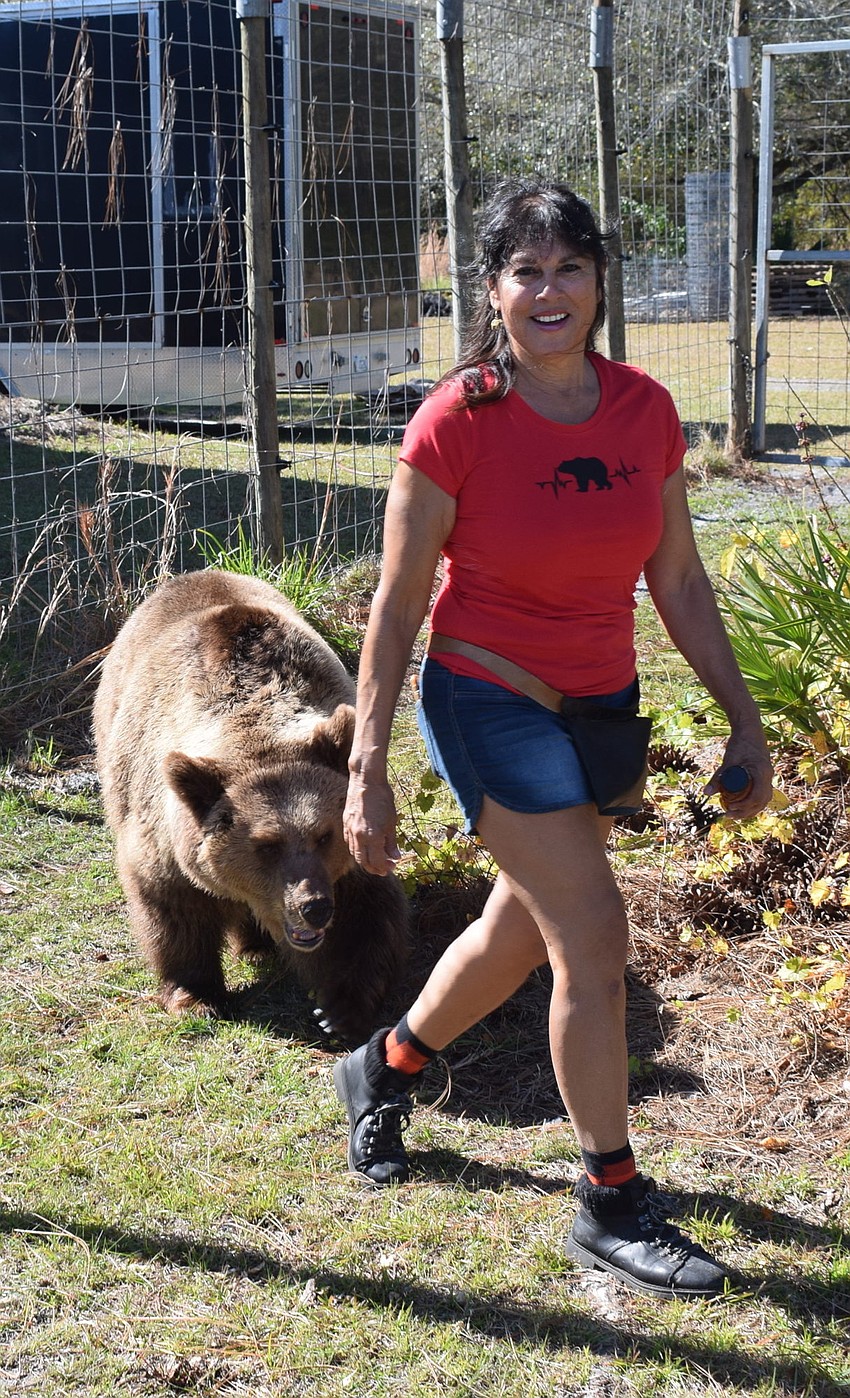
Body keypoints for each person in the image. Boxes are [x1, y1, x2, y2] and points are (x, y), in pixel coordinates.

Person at [334, 179, 772, 1299]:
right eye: (524, 271)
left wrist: (742, 713)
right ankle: (610, 1197)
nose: (548, 290)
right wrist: (366, 767)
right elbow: (394, 603)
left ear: (597, 282)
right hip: (486, 696)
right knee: (593, 929)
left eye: (567, 268)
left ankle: (382, 1069)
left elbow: (675, 575)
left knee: (524, 930)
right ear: (491, 291)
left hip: (599, 708)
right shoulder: (456, 421)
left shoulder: (643, 412)